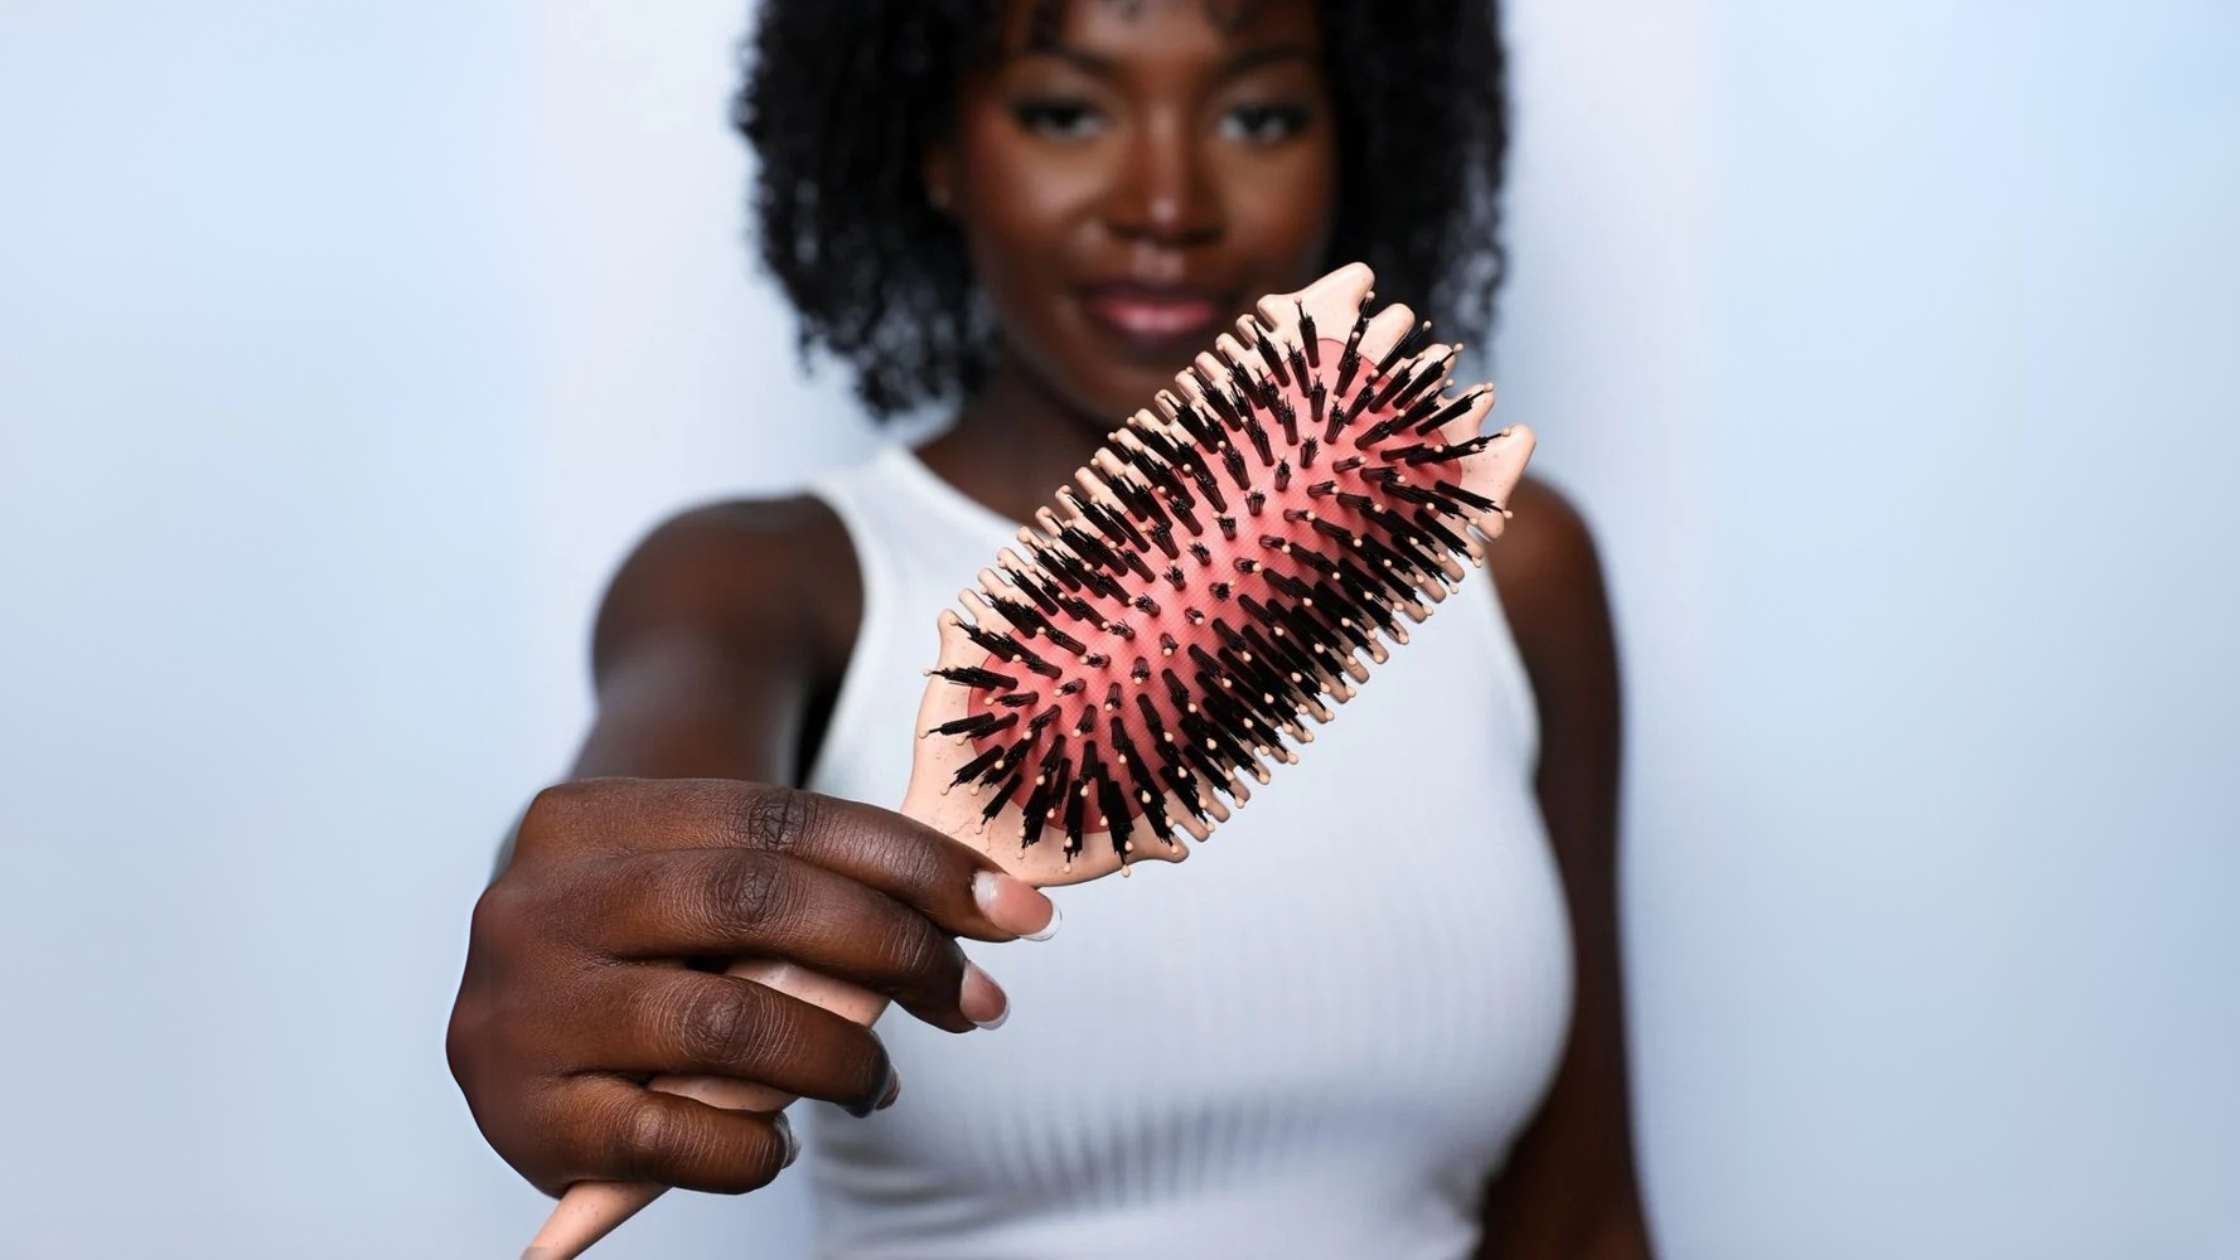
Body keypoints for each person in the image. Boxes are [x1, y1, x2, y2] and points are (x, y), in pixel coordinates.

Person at [448, 0, 1650, 1254]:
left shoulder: (1512, 566)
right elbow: (640, 807)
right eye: (1065, 111)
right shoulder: (764, 579)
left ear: (1357, 140)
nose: (1164, 204)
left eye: (1257, 115)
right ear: (936, 147)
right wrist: (581, 941)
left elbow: (1582, 1217)